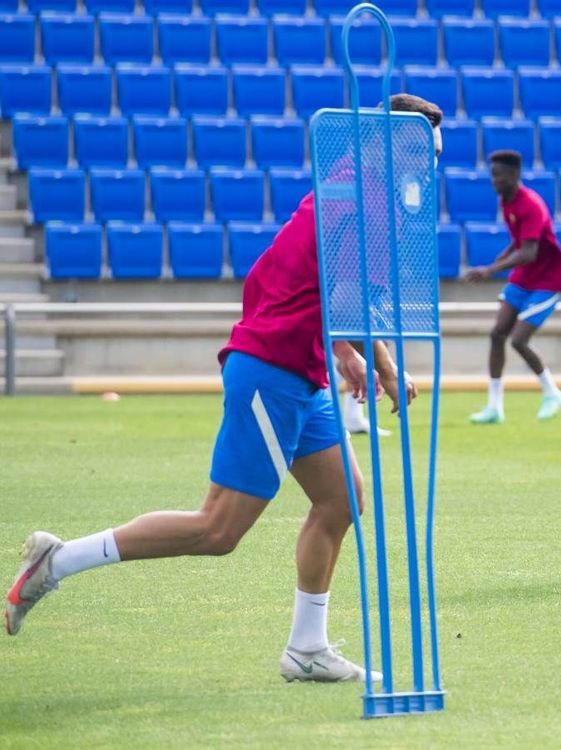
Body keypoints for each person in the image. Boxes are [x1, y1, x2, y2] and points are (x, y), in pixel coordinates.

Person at [5, 94, 444, 686]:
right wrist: (386, 368)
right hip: (273, 371)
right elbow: (348, 300)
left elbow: (316, 287)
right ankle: (58, 560)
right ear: (386, 144)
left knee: (342, 499)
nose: (431, 162)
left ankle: (307, 648)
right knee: (217, 530)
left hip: (298, 368)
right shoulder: (365, 200)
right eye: (421, 148)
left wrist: (344, 353)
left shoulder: (345, 185)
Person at [464, 149, 561, 424]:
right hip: (524, 277)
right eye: (492, 175)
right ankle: (494, 407)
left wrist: (490, 270)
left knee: (518, 340)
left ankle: (552, 392)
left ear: (514, 175)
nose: (494, 181)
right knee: (497, 333)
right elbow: (519, 242)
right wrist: (496, 262)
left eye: (499, 176)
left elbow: (529, 252)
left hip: (548, 279)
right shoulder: (506, 201)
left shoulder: (531, 204)